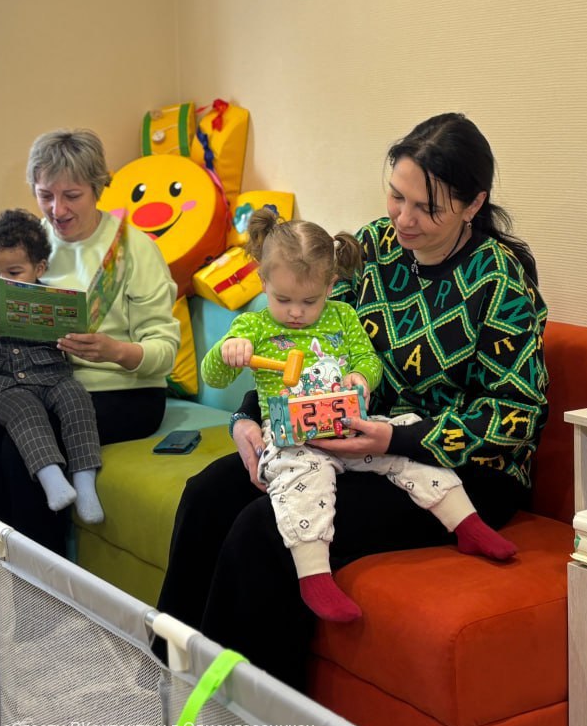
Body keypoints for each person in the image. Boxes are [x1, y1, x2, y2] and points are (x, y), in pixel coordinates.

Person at [156, 112, 548, 690]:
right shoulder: (374, 249)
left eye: (427, 208)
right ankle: (166, 677)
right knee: (207, 495)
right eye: (396, 196)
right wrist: (248, 418)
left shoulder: (501, 281)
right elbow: (301, 337)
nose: (403, 219)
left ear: (473, 205)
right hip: (350, 437)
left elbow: (518, 415)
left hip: (460, 470)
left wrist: (396, 437)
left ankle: (248, 719)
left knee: (266, 531)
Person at [202, 212, 517, 624]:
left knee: (409, 440)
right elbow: (214, 375)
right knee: (304, 484)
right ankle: (314, 577)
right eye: (283, 300)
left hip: (347, 427)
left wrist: (361, 378)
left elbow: (368, 360)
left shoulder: (342, 317)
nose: (295, 312)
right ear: (263, 283)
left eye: (309, 301)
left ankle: (467, 524)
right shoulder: (252, 326)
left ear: (331, 286)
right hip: (291, 441)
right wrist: (228, 352)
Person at [0, 130, 180, 552]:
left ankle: (42, 581)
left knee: (21, 455)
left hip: (124, 392)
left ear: (97, 187)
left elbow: (164, 352)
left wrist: (115, 350)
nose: (57, 210)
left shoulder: (133, 249)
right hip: (37, 384)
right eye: (45, 196)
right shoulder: (31, 244)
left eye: (72, 195)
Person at [0, 208, 103, 522]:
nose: (2, 281)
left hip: (55, 377)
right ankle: (52, 479)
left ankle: (85, 481)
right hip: (7, 386)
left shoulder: (49, 298)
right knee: (27, 413)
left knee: (78, 401)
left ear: (38, 267)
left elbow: (73, 341)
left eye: (14, 273)